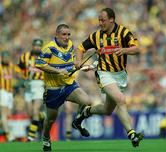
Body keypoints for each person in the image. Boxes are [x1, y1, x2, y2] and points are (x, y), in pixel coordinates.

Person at [73, 7, 143, 147]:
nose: (100, 23)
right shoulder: (96, 36)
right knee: (121, 100)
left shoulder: (124, 33)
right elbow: (80, 48)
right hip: (104, 73)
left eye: (102, 20)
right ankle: (132, 134)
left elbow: (137, 49)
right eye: (99, 20)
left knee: (107, 110)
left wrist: (124, 50)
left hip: (120, 75)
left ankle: (85, 112)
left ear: (112, 19)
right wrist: (78, 61)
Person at [35, 24, 92, 152]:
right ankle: (46, 139)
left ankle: (77, 122)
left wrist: (81, 67)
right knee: (50, 120)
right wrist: (57, 71)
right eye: (64, 34)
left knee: (87, 101)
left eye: (68, 34)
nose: (66, 37)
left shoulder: (71, 45)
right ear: (57, 35)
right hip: (53, 89)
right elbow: (39, 64)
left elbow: (71, 64)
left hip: (68, 85)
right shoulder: (49, 48)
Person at [18, 38, 45, 141]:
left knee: (35, 110)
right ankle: (42, 116)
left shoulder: (45, 57)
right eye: (35, 45)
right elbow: (18, 69)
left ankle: (31, 135)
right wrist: (22, 79)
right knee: (30, 113)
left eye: (39, 45)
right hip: (28, 85)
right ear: (32, 46)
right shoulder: (25, 57)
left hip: (39, 84)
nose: (37, 47)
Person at [0, 51, 15, 141]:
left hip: (10, 93)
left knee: (8, 114)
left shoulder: (11, 65)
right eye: (4, 57)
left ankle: (7, 132)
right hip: (3, 91)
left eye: (7, 57)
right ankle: (8, 135)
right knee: (4, 113)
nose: (6, 59)